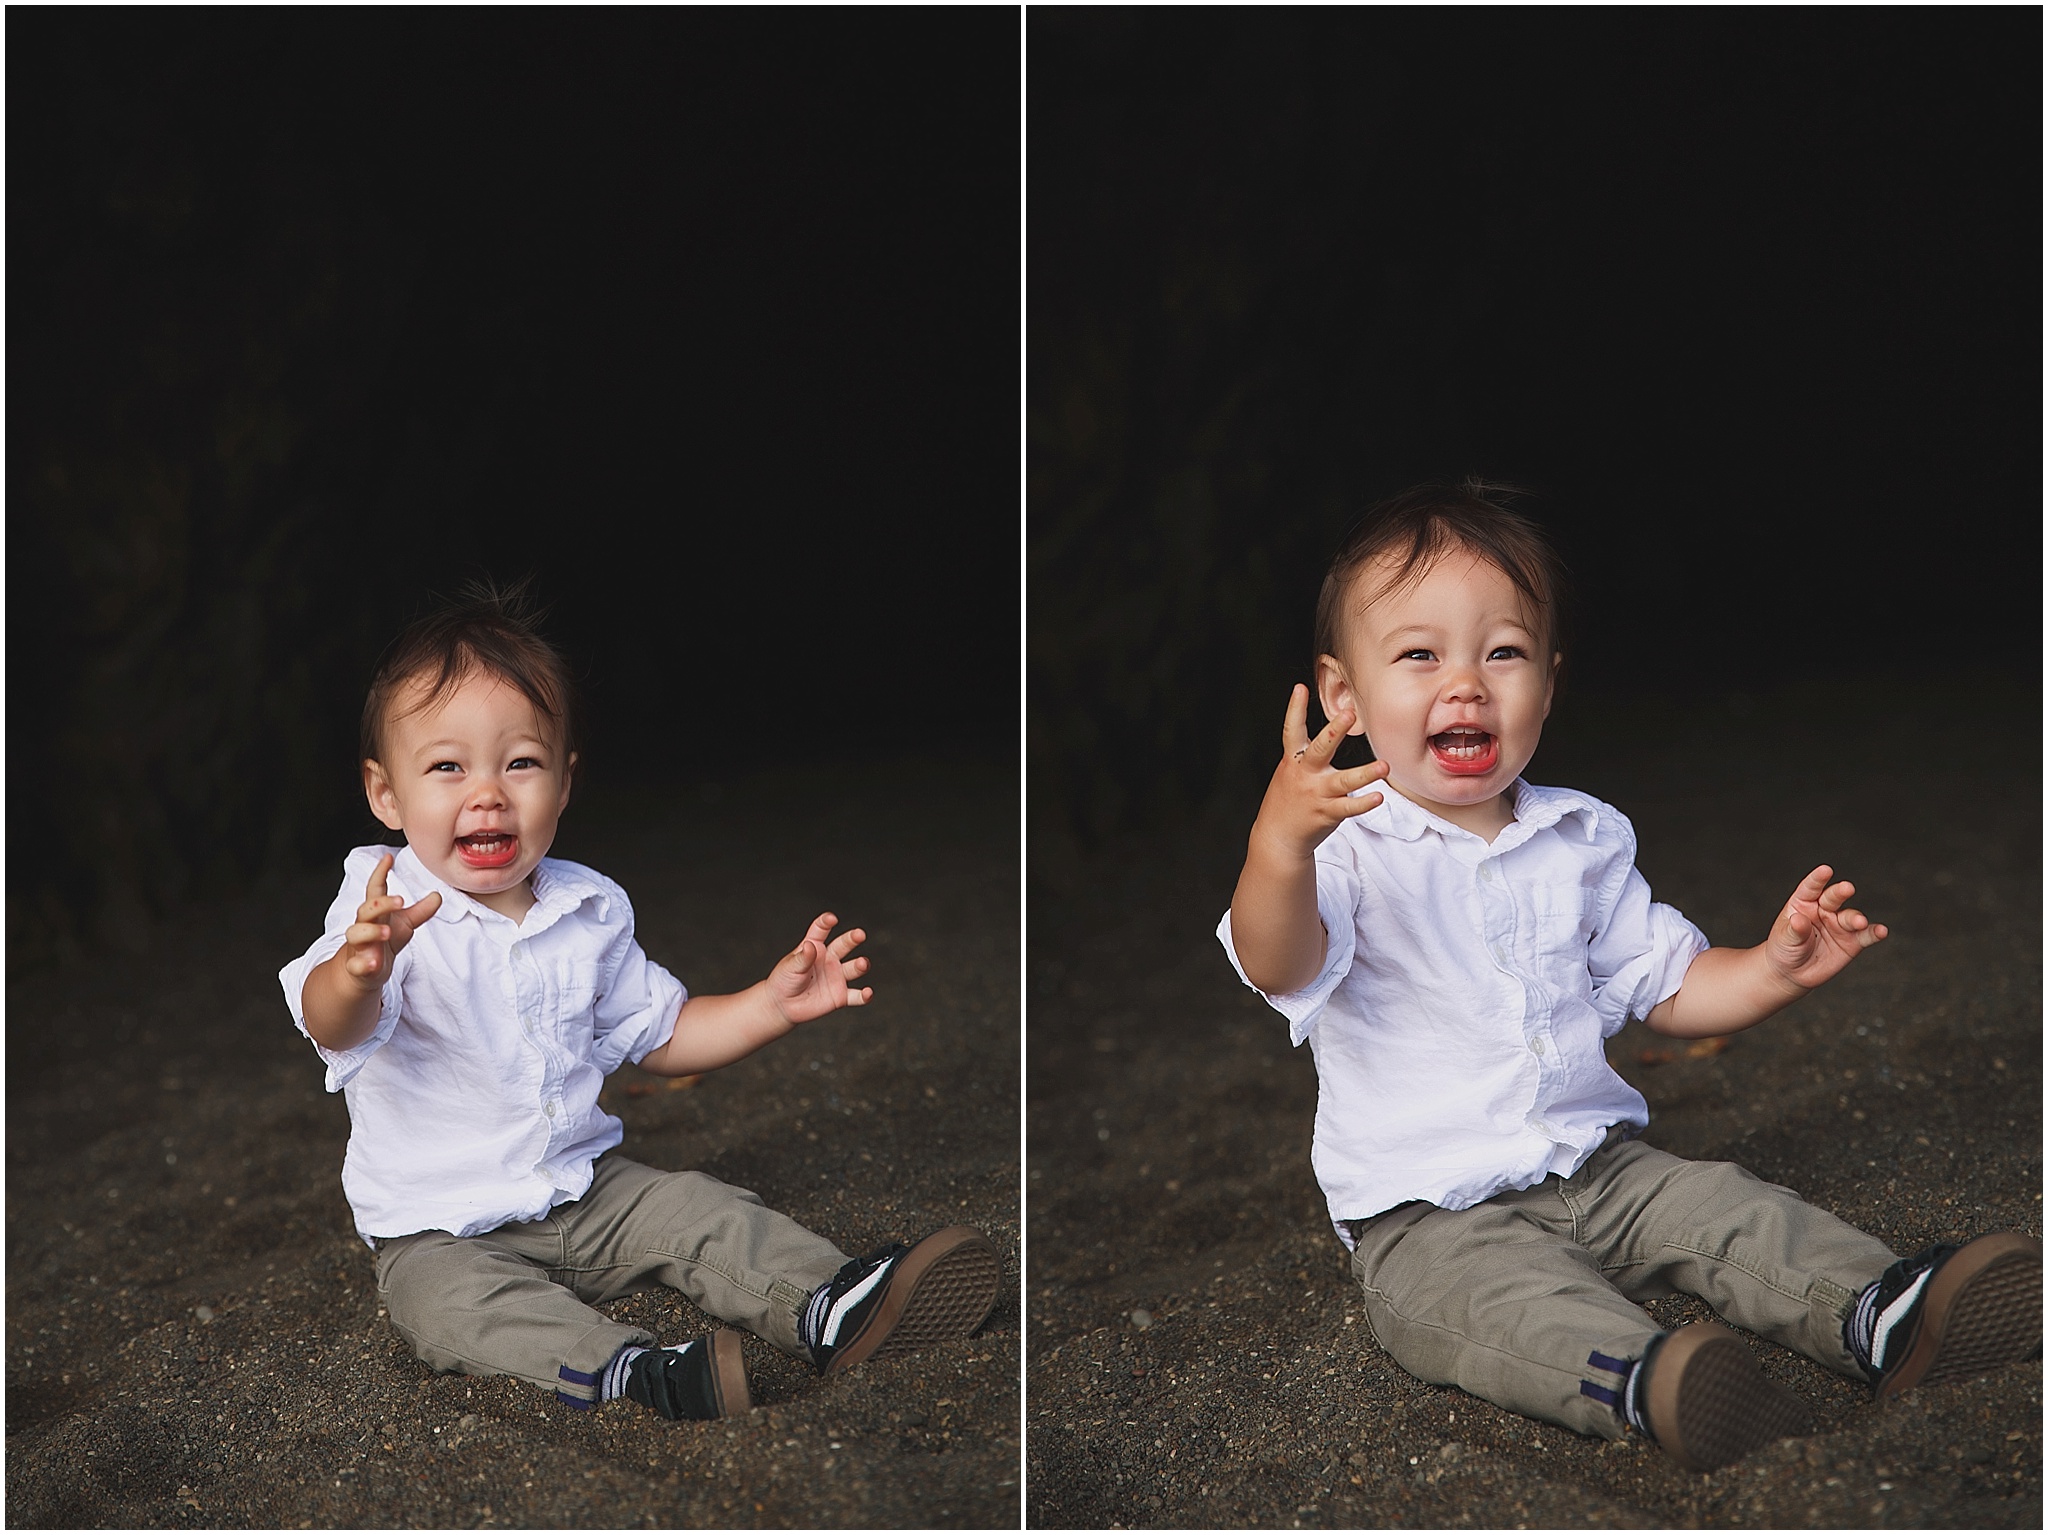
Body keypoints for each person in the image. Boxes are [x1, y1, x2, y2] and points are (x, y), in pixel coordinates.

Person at [1219, 482, 2040, 1472]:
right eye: (1418, 653)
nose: (1467, 682)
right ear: (1342, 694)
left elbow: (1673, 985)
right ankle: (1648, 1381)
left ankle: (1879, 1312)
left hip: (1598, 1164)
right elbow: (1279, 958)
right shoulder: (1342, 849)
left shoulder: (1580, 836)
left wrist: (1772, 968)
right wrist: (1277, 841)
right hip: (1426, 1210)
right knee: (1494, 1308)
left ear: (1547, 683)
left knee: (1728, 1206)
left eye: (1503, 651)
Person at [280, 583, 998, 1422]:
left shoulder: (586, 910)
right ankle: (634, 1372)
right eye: (447, 766)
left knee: (701, 1205)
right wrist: (359, 970)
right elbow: (331, 1022)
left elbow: (664, 1032)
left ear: (564, 781)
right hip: (439, 1226)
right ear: (386, 794)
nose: (488, 793)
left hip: (586, 1186)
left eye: (521, 762)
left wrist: (770, 1003)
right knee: (447, 1310)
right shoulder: (382, 907)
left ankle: (831, 1303)